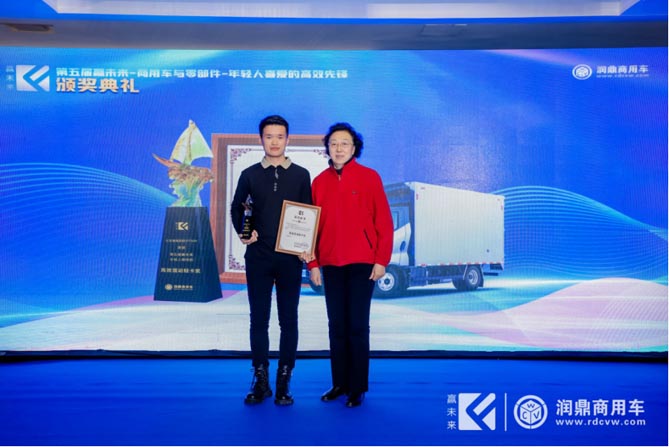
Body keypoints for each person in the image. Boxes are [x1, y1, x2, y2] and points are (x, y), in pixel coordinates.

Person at [307, 122, 394, 408]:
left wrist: (381, 260)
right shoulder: (319, 182)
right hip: (331, 263)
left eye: (345, 143)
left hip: (362, 263)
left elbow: (384, 222)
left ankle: (357, 387)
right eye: (333, 143)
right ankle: (339, 383)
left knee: (357, 326)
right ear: (327, 148)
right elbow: (310, 228)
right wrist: (313, 263)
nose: (339, 148)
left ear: (354, 147)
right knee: (336, 326)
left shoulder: (370, 177)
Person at [230, 115, 312, 406]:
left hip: (290, 259)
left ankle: (284, 381)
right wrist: (244, 233)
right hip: (259, 257)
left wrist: (306, 247)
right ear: (261, 139)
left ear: (288, 139)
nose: (274, 142)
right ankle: (260, 379)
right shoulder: (249, 174)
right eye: (268, 136)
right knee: (259, 319)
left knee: (289, 320)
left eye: (279, 136)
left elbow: (308, 213)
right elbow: (237, 207)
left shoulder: (301, 175)